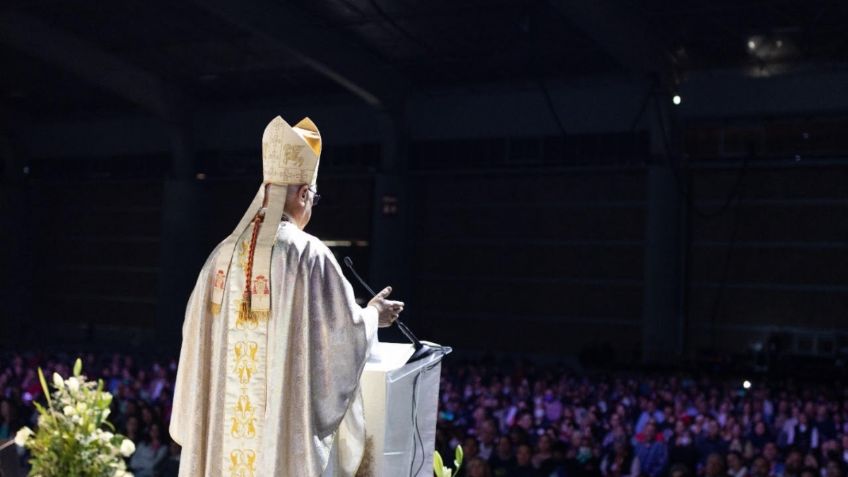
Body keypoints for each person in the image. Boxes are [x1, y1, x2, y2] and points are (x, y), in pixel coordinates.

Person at [170, 116, 404, 476]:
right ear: (303, 194)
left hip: (220, 442)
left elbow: (192, 337)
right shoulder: (307, 255)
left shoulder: (220, 256)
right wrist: (373, 314)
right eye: (313, 197)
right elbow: (342, 336)